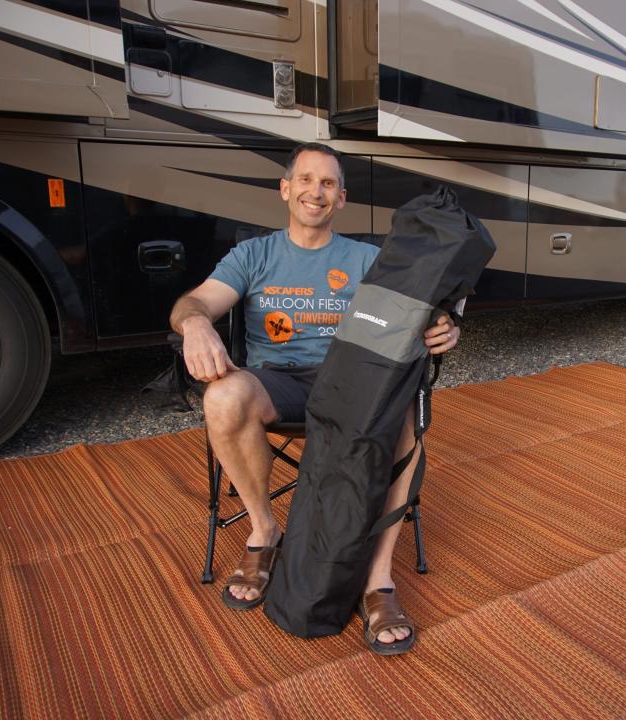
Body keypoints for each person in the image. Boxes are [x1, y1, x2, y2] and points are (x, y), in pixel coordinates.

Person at [169, 142, 459, 655]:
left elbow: (424, 312)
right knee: (223, 397)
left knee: (403, 423)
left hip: (350, 385)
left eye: (327, 183)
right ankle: (264, 533)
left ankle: (377, 581)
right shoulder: (253, 255)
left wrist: (445, 328)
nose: (315, 191)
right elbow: (195, 300)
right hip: (276, 382)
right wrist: (194, 323)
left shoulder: (369, 259)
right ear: (285, 189)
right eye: (305, 180)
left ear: (341, 198)